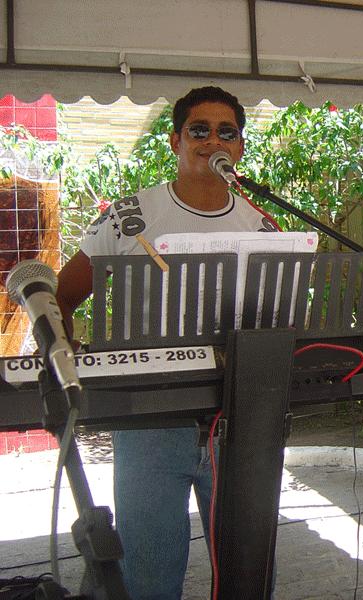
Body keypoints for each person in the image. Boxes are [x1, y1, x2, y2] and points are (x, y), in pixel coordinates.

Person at [56, 86, 279, 599]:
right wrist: (76, 369)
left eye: (226, 132)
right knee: (149, 580)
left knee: (249, 579)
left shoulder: (263, 227)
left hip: (239, 420)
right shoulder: (129, 218)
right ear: (176, 140)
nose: (212, 141)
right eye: (199, 130)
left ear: (240, 147)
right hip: (150, 421)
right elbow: (62, 296)